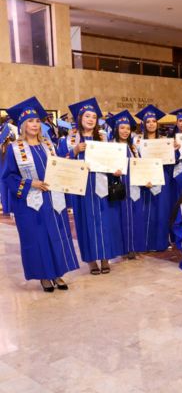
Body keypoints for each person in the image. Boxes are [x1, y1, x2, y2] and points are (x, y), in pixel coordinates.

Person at [2, 97, 79, 292]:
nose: (35, 124)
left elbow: (59, 167)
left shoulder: (48, 145)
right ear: (22, 125)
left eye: (37, 121)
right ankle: (44, 276)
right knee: (38, 239)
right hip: (30, 202)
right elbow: (8, 176)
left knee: (57, 235)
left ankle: (58, 273)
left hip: (53, 199)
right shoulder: (14, 149)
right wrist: (30, 183)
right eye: (30, 121)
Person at [57, 97, 124, 275]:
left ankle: (105, 258)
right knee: (85, 224)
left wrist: (116, 171)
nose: (91, 119)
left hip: (101, 186)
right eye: (87, 116)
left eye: (94, 117)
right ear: (80, 118)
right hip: (81, 189)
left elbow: (110, 161)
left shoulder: (103, 139)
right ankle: (91, 261)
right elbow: (59, 164)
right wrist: (74, 151)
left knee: (104, 222)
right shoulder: (68, 141)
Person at [107, 110, 146, 259]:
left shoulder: (133, 147)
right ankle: (122, 249)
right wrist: (112, 172)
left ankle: (133, 247)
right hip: (119, 187)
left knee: (135, 217)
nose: (125, 131)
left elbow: (140, 166)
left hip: (134, 187)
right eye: (122, 128)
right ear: (116, 129)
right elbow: (104, 165)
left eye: (128, 128)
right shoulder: (110, 146)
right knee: (120, 219)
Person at [135, 105, 172, 252]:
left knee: (161, 211)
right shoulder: (137, 142)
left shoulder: (165, 141)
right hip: (145, 178)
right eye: (148, 121)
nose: (151, 124)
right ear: (143, 124)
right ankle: (145, 244)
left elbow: (171, 161)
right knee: (145, 211)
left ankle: (160, 243)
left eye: (154, 121)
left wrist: (174, 150)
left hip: (162, 177)